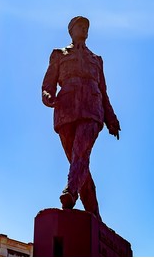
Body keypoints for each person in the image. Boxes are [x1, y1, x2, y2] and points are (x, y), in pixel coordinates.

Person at [41, 16, 120, 221]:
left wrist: (110, 118)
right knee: (79, 161)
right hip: (65, 111)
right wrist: (47, 95)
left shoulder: (96, 60)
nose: (84, 29)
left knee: (80, 152)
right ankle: (93, 212)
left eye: (86, 26)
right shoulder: (59, 54)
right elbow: (48, 83)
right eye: (80, 26)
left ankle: (70, 192)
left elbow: (103, 91)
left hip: (92, 111)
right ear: (71, 30)